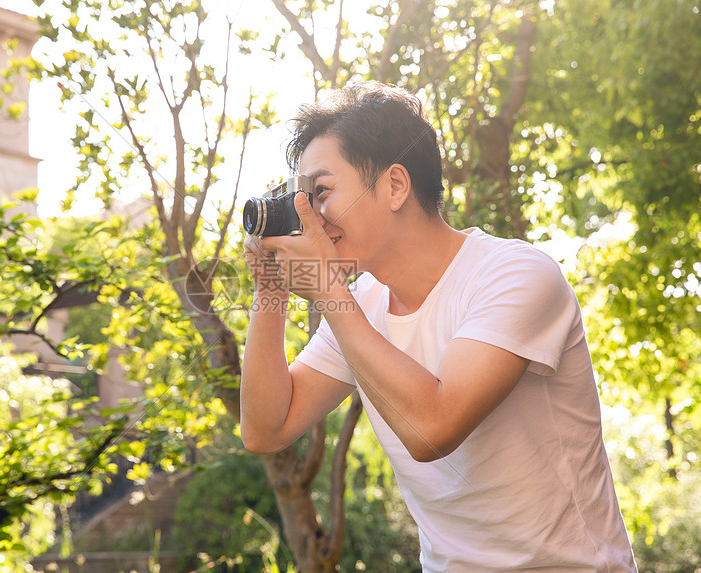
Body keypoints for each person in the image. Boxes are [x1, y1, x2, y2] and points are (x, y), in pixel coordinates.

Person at [240, 81, 636, 571]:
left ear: (395, 186)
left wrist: (326, 291)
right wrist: (271, 291)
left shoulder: (516, 275)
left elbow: (433, 429)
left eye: (320, 193)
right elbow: (265, 429)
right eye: (302, 200)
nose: (311, 219)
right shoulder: (362, 303)